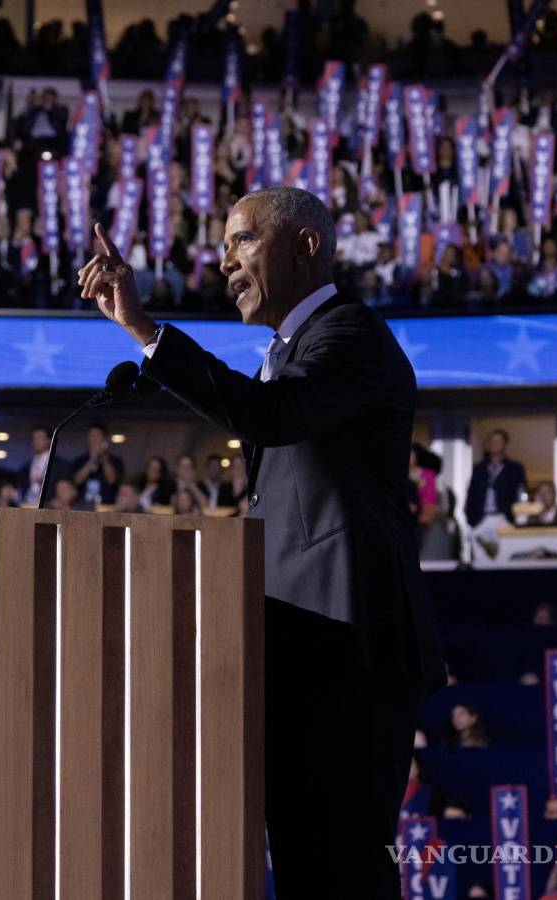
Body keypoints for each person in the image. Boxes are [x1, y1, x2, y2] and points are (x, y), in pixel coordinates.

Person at [76, 187, 444, 896]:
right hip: (304, 647)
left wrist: (147, 333)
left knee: (341, 864)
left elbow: (272, 414)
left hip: (352, 644)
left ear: (306, 245)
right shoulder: (293, 348)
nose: (224, 263)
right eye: (223, 247)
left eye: (242, 241)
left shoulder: (351, 335)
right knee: (308, 864)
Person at [464, 429, 526, 558]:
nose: (495, 444)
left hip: (505, 518)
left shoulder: (515, 469)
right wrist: (471, 519)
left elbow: (521, 494)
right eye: (492, 441)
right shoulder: (478, 469)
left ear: (505, 444)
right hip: (481, 519)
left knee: (504, 556)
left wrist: (517, 517)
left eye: (499, 441)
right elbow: (471, 496)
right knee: (480, 558)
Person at [70, 423, 124, 506]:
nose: (94, 439)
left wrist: (103, 458)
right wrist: (91, 460)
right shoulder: (79, 460)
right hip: (82, 505)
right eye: (91, 436)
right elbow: (77, 481)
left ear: (104, 438)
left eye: (97, 436)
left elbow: (112, 480)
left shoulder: (115, 460)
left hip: (107, 505)